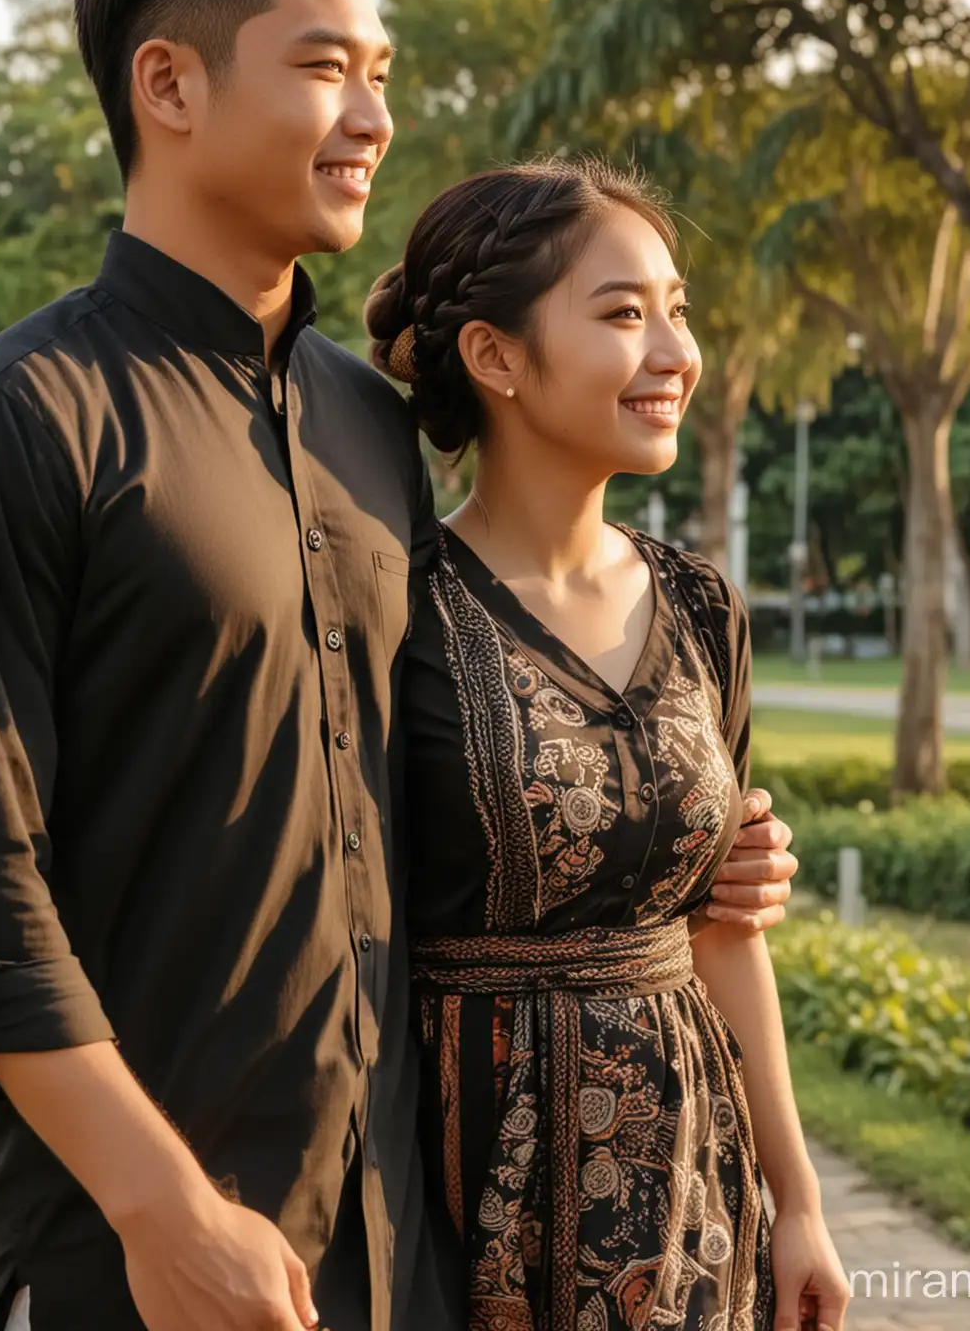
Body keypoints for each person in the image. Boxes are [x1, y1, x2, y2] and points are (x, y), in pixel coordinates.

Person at [0, 0, 798, 1331]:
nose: (372, 119)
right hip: (135, 1257)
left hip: (400, 1242)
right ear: (166, 83)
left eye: (381, 77)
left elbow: (422, 778)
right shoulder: (8, 428)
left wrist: (684, 852)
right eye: (322, 70)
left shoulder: (371, 432)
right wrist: (162, 1213)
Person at [367, 160, 852, 1331]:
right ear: (495, 357)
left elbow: (725, 928)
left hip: (696, 1181)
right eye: (624, 314)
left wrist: (801, 1201)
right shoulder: (399, 610)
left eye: (676, 310)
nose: (676, 351)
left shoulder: (700, 607)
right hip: (463, 1192)